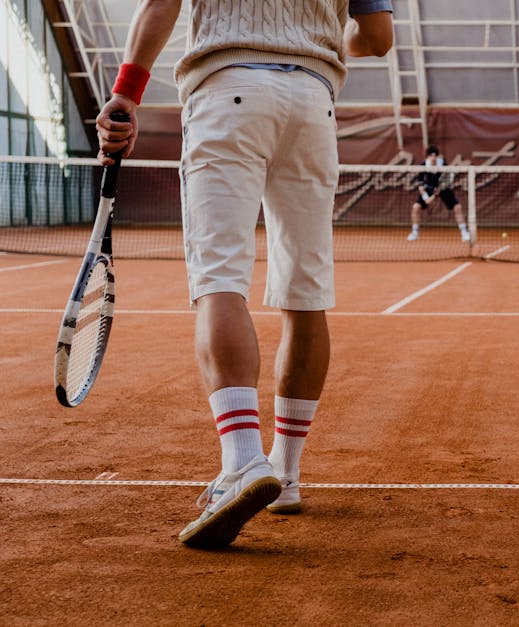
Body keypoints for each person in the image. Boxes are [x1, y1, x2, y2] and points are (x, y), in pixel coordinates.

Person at [95, 0, 393, 549]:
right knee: (305, 296)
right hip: (313, 104)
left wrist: (126, 93)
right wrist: (321, 35)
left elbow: (162, 3)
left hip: (227, 92)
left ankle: (242, 463)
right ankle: (286, 473)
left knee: (220, 282)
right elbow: (376, 38)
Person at [407, 145, 470, 242]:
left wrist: (438, 192)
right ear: (427, 157)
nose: (433, 158)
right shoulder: (423, 166)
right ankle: (414, 233)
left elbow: (445, 181)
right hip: (428, 189)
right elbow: (420, 185)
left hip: (443, 189)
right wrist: (426, 197)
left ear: (437, 156)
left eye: (435, 156)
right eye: (431, 156)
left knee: (458, 207)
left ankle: (464, 233)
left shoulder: (443, 166)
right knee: (416, 207)